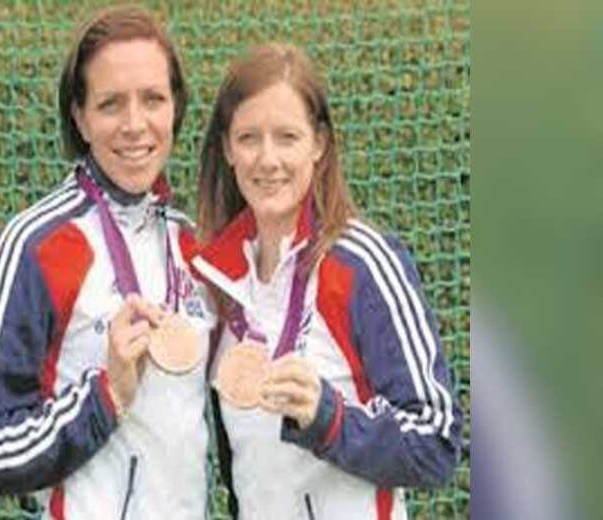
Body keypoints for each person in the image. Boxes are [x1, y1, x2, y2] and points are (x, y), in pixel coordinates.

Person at [0, 6, 216, 519]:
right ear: (80, 117)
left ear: (175, 107)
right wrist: (105, 396)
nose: (135, 125)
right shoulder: (34, 244)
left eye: (153, 99)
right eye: (111, 104)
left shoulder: (192, 244)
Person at [194, 43, 463, 519]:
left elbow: (436, 444)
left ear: (318, 144)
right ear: (227, 149)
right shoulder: (216, 280)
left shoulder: (363, 264)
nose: (267, 159)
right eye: (249, 137)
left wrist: (329, 417)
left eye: (287, 137)